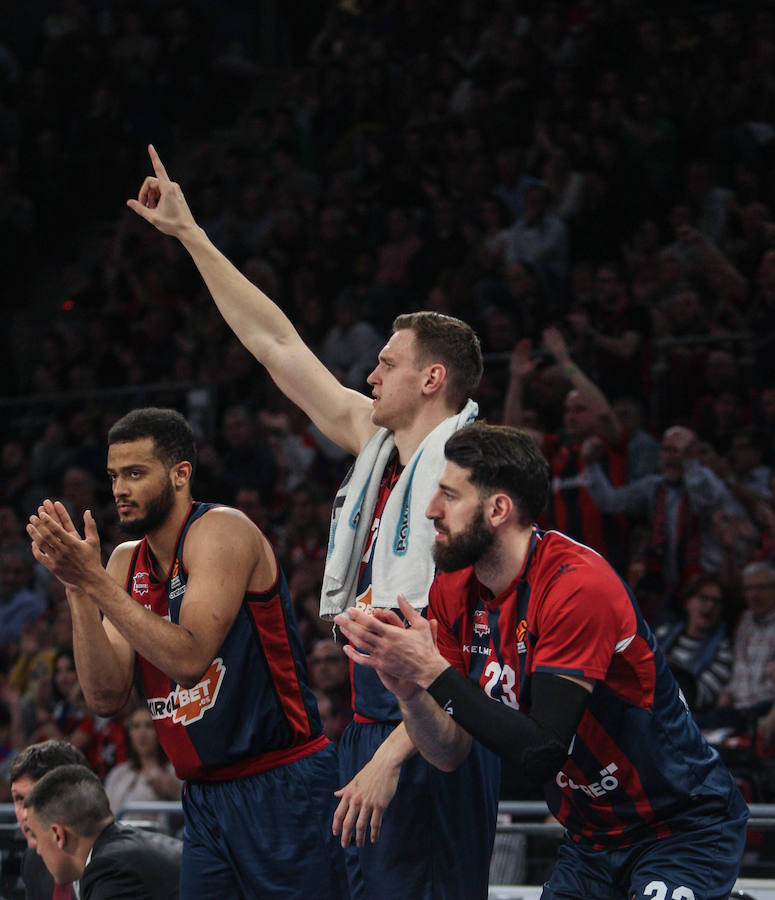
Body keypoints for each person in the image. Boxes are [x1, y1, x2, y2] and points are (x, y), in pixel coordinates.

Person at [126, 145, 499, 899]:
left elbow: (465, 661)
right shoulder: (378, 443)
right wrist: (192, 236)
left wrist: (391, 757)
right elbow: (276, 344)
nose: (367, 373)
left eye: (386, 364)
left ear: (431, 378)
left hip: (430, 729)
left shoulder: (468, 480)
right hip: (369, 718)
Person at [336, 422, 749, 900]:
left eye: (448, 495)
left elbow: (542, 751)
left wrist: (431, 671)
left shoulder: (576, 587)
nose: (431, 510)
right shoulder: (452, 587)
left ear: (497, 509)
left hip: (680, 824)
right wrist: (409, 691)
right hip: (592, 841)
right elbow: (448, 752)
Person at [26, 407, 347, 899]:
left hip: (283, 780)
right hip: (202, 795)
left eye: (136, 473)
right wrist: (77, 591)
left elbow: (189, 659)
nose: (120, 490)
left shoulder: (222, 531)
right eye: (114, 476)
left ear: (180, 474)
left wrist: (95, 583)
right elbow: (106, 695)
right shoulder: (122, 561)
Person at [24, 763, 182, 900]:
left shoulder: (110, 869)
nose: (37, 849)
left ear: (58, 835)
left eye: (36, 836)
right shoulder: (123, 850)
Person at [10, 739, 88, 900]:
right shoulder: (34, 862)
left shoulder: (115, 862)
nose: (25, 814)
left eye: (36, 799)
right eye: (19, 799)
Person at [103, 704, 181, 824]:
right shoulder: (118, 773)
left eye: (149, 726)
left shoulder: (175, 771)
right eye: (136, 726)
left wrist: (174, 793)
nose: (142, 733)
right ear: (129, 733)